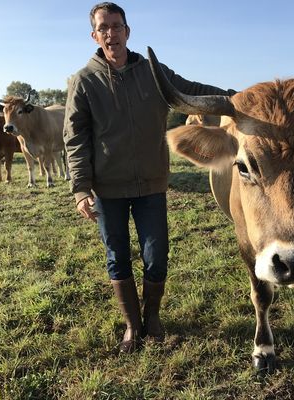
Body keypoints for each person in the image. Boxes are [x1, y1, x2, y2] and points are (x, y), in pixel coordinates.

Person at [64, 2, 234, 353]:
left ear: (128, 31)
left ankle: (152, 316)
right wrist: (81, 188)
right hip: (108, 189)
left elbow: (194, 90)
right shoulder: (84, 81)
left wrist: (239, 100)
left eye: (117, 25)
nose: (111, 33)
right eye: (103, 28)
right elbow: (75, 138)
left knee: (156, 255)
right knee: (118, 256)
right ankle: (132, 325)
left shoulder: (154, 73)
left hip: (152, 184)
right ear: (94, 35)